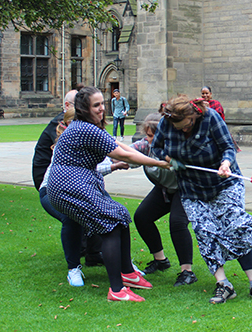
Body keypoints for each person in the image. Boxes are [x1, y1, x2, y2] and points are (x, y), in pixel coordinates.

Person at [47, 86, 169, 302]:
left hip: (77, 182)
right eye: (96, 105)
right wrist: (158, 162)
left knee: (120, 214)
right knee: (110, 223)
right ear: (84, 108)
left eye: (102, 103)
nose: (102, 108)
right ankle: (116, 290)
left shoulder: (90, 127)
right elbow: (122, 154)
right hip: (68, 185)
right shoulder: (85, 129)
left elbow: (123, 146)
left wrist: (153, 156)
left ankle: (128, 275)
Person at [153, 95, 252, 304]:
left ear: (192, 116)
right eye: (178, 128)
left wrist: (225, 163)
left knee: (236, 226)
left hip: (223, 183)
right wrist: (170, 159)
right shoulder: (167, 122)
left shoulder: (211, 118)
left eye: (186, 125)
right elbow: (156, 148)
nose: (183, 130)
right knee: (205, 232)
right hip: (191, 188)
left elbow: (228, 147)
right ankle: (223, 284)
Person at [39, 107, 127, 287]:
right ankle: (74, 269)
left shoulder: (94, 136)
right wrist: (114, 166)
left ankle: (124, 266)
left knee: (114, 212)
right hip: (53, 191)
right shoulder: (66, 141)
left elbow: (115, 156)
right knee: (71, 218)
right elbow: (94, 168)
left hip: (84, 188)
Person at [130, 112, 197, 287]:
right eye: (147, 135)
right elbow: (127, 152)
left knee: (177, 222)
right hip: (165, 189)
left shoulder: (177, 146)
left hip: (184, 188)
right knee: (142, 217)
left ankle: (187, 272)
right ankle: (161, 260)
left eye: (151, 136)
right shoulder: (146, 146)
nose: (148, 139)